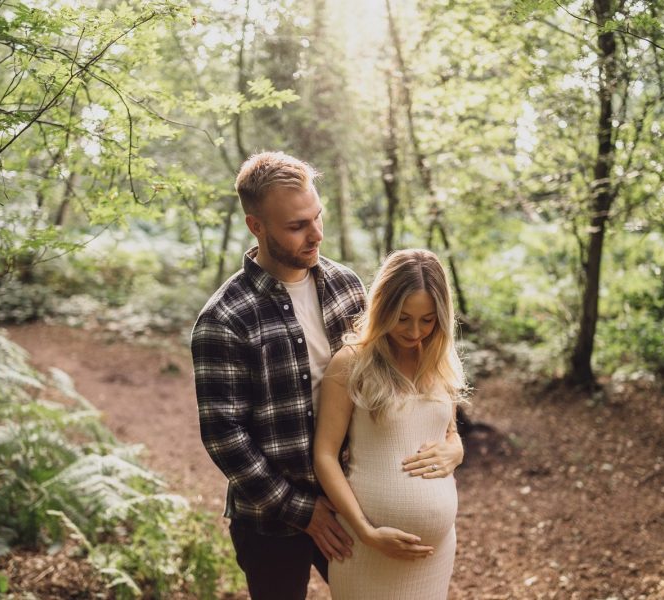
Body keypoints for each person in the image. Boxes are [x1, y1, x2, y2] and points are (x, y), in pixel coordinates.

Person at [191, 153, 462, 599]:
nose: (315, 233)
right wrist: (305, 510)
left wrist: (452, 443)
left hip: (357, 504)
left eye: (317, 217)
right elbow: (225, 436)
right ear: (255, 225)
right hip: (273, 520)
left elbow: (408, 380)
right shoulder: (224, 319)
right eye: (297, 226)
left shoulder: (347, 286)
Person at [314, 248, 467, 600]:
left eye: (427, 319)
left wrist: (456, 450)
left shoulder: (441, 361)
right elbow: (324, 455)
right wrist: (366, 532)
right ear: (382, 308)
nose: (415, 331)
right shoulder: (352, 362)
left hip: (436, 551)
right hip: (367, 548)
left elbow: (449, 432)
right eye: (402, 318)